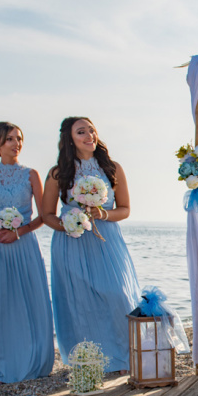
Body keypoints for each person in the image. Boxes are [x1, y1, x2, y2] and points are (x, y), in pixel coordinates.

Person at [41, 117, 141, 374]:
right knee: (79, 302)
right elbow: (46, 215)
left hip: (106, 240)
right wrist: (69, 224)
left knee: (117, 294)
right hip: (71, 243)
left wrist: (102, 214)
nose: (89, 135)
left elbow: (125, 209)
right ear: (69, 139)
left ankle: (123, 358)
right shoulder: (57, 173)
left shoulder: (113, 168)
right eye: (81, 132)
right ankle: (89, 362)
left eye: (92, 130)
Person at [0, 122, 54, 384]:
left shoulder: (31, 174)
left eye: (19, 138)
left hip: (25, 244)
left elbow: (43, 216)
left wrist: (18, 232)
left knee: (31, 302)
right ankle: (0, 369)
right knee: (0, 303)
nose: (16, 143)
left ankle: (36, 362)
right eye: (9, 139)